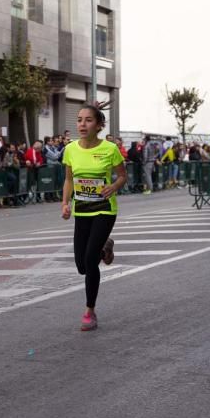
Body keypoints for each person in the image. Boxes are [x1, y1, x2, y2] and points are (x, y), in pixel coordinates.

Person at [62, 102, 127, 331]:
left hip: (104, 209)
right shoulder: (70, 149)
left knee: (90, 261)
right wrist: (65, 203)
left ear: (99, 125)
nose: (82, 124)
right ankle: (104, 247)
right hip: (82, 209)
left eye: (88, 120)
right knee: (81, 265)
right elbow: (69, 179)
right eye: (79, 119)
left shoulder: (110, 149)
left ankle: (90, 311)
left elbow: (122, 176)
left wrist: (114, 187)